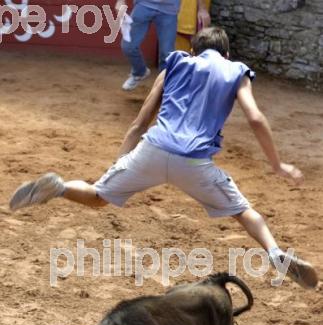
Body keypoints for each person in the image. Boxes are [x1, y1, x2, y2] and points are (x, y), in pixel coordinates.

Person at [9, 27, 318, 289]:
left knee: (97, 195)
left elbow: (140, 122)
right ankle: (275, 252)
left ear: (194, 50)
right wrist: (278, 164)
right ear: (225, 54)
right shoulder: (236, 70)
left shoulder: (176, 63)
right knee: (244, 212)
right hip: (196, 163)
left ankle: (59, 187)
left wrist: (118, 166)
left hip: (153, 149)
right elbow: (255, 117)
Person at [117, 0, 180, 91]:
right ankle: (139, 72)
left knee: (167, 54)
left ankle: (164, 88)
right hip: (143, 5)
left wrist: (202, 9)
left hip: (169, 9)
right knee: (128, 46)